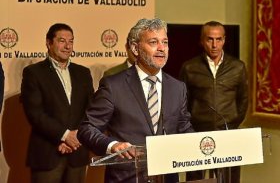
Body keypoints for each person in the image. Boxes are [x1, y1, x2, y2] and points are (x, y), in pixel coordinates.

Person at [77, 18, 194, 183]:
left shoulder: (177, 87)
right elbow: (87, 128)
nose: (162, 48)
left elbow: (184, 128)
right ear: (135, 48)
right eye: (153, 42)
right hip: (126, 177)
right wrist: (112, 145)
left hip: (167, 177)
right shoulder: (114, 86)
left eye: (165, 42)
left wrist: (202, 146)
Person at [20, 23, 94, 183]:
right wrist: (65, 136)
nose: (68, 46)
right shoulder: (33, 73)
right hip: (48, 154)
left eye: (71, 41)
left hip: (78, 152)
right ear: (48, 42)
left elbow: (91, 110)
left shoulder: (83, 73)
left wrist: (76, 137)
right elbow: (35, 114)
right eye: (62, 41)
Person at [179, 21, 248, 183]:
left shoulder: (238, 67)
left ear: (224, 40)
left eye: (219, 39)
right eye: (210, 39)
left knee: (229, 179)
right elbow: (182, 102)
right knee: (196, 179)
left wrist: (232, 124)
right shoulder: (189, 67)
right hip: (197, 134)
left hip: (228, 134)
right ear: (202, 41)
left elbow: (243, 100)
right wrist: (190, 128)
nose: (214, 44)